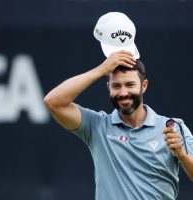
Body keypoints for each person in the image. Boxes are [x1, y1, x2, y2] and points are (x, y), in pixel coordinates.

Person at [43, 50, 193, 199]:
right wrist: (102, 70)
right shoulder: (97, 126)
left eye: (130, 84)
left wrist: (181, 154)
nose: (123, 93)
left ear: (144, 86)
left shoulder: (172, 127)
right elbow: (53, 102)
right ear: (108, 87)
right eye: (116, 86)